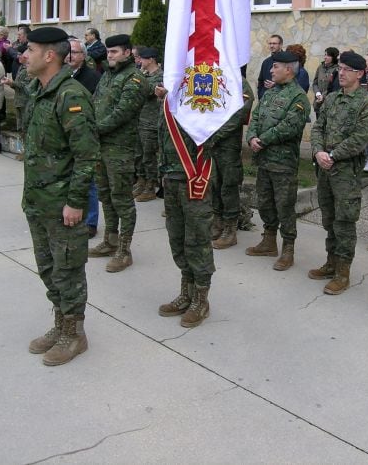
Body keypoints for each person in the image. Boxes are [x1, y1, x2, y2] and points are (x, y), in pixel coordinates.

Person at [22, 26, 99, 366]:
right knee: (48, 268)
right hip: (39, 201)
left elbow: (86, 155)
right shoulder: (40, 91)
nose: (24, 56)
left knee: (68, 270)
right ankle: (60, 324)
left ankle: (75, 334)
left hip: (62, 204)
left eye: (31, 50)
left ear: (49, 55)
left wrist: (75, 202)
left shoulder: (71, 96)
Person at [309, 51, 368, 294]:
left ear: (359, 74)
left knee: (344, 222)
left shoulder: (367, 102)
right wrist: (318, 151)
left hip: (346, 172)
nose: (341, 73)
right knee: (329, 218)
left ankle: (343, 272)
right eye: (340, 68)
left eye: (347, 69)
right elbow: (318, 127)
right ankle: (331, 262)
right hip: (325, 169)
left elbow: (360, 139)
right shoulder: (331, 99)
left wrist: (332, 155)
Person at [246, 49, 311, 270]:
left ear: (288, 69)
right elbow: (256, 116)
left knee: (284, 206)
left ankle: (288, 249)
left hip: (283, 163)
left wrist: (262, 140)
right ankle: (268, 241)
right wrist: (251, 136)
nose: (271, 70)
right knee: (265, 202)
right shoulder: (270, 93)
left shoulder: (299, 97)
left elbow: (289, 127)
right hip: (264, 160)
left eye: (275, 67)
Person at [87, 34, 147, 273]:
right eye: (108, 52)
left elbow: (122, 113)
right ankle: (110, 240)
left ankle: (124, 249)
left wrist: (93, 129)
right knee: (106, 195)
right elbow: (94, 103)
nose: (109, 55)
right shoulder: (108, 76)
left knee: (122, 199)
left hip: (120, 149)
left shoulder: (135, 79)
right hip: (100, 146)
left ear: (127, 52)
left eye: (114, 52)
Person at [157, 100, 216, 328]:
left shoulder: (202, 92)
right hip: (171, 175)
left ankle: (201, 299)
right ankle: (186, 292)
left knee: (198, 239)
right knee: (177, 237)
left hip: (194, 176)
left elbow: (216, 130)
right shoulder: (170, 97)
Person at [210, 75, 255, 249]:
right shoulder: (214, 77)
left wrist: (216, 135)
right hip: (212, 143)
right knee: (215, 183)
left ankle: (230, 229)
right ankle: (218, 221)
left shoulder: (239, 81)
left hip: (227, 145)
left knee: (228, 185)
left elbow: (239, 114)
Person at [65, 38, 101, 237]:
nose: (71, 56)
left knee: (89, 180)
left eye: (76, 52)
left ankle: (90, 221)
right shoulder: (61, 76)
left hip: (85, 134)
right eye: (68, 51)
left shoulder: (93, 77)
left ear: (84, 56)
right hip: (65, 135)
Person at [133, 47, 164, 203]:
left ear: (150, 59)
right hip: (140, 120)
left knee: (148, 156)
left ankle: (150, 186)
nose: (139, 61)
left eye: (142, 59)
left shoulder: (160, 76)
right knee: (139, 154)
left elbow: (148, 91)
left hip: (151, 123)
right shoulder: (143, 74)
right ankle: (141, 180)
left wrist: (139, 81)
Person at [312, 47, 339, 117]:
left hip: (329, 104)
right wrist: (317, 93)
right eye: (325, 55)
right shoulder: (320, 67)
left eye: (328, 55)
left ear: (334, 57)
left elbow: (334, 88)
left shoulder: (337, 70)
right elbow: (315, 83)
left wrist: (323, 96)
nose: (325, 57)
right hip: (318, 103)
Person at [256, 34, 283, 100]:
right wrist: (261, 95)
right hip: (265, 100)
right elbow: (261, 81)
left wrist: (275, 85)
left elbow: (289, 82)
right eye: (270, 43)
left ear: (280, 45)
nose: (271, 46)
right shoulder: (266, 62)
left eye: (274, 43)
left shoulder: (286, 61)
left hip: (279, 102)